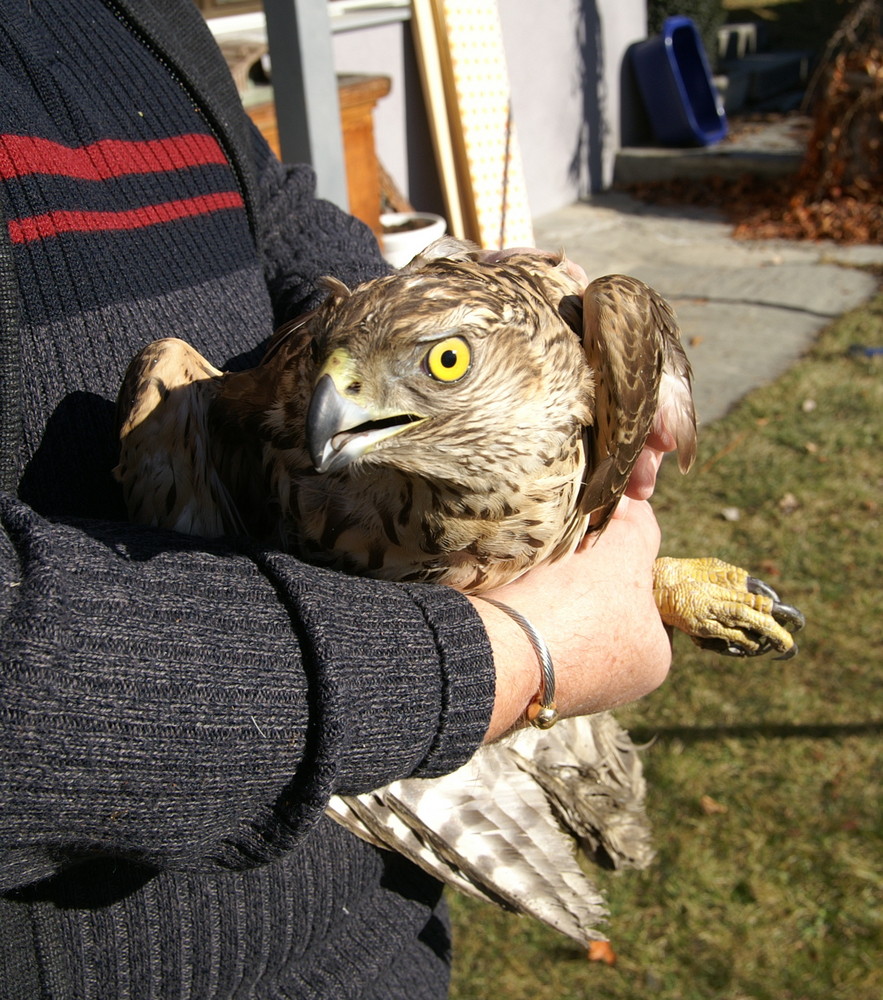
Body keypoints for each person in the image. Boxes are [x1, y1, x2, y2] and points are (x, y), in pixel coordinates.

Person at [0, 1, 672, 996]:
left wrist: (431, 312)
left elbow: (268, 207)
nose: (332, 416)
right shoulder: (205, 429)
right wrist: (499, 661)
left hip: (377, 943)